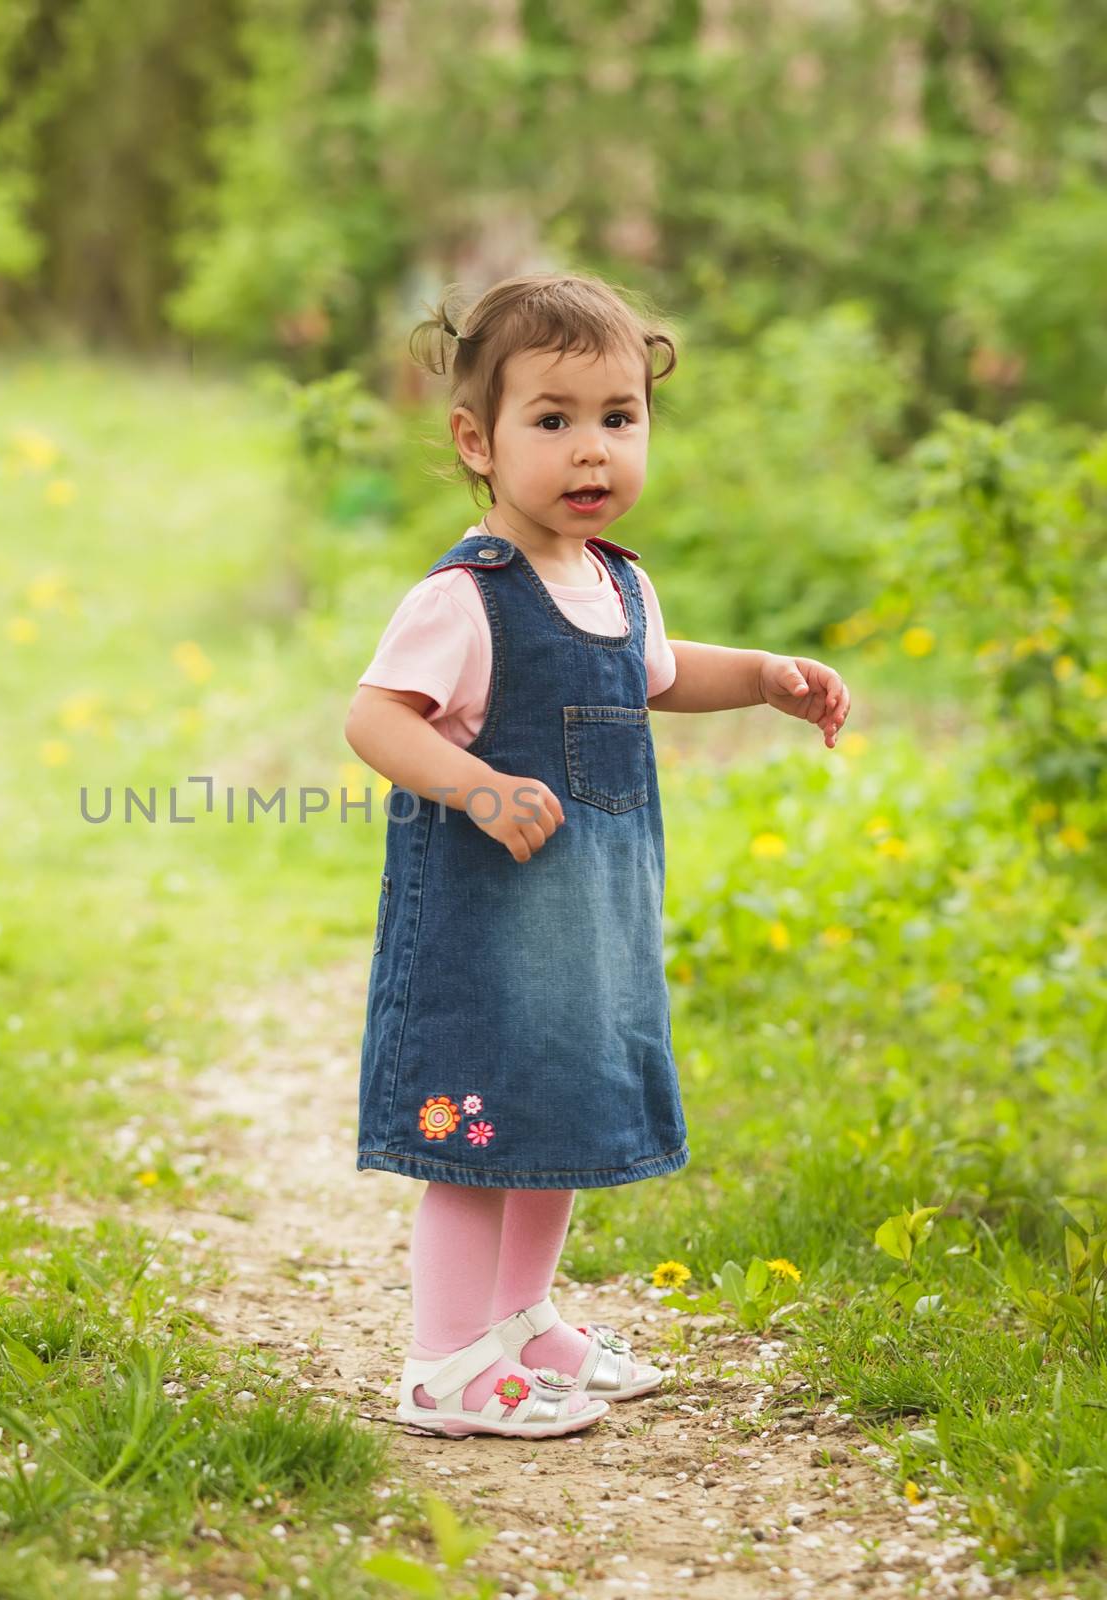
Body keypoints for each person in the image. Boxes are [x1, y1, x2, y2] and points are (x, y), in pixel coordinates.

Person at [343, 271, 851, 1439]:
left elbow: (662, 674)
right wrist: (472, 785)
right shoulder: (466, 598)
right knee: (474, 1137)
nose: (592, 452)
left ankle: (520, 1320)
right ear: (478, 440)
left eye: (618, 419)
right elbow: (375, 718)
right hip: (485, 934)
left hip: (588, 933)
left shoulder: (617, 581)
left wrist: (766, 677)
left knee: (561, 1117)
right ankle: (441, 1359)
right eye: (554, 420)